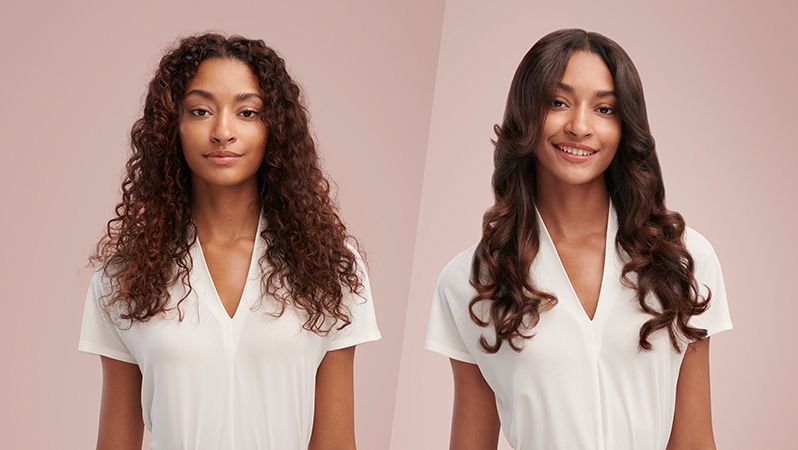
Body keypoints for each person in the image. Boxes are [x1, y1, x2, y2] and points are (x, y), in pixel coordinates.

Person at [425, 29, 732, 450]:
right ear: (526, 115)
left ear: (625, 128)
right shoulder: (470, 280)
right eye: (558, 102)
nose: (580, 126)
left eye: (604, 108)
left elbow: (695, 441)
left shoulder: (683, 259)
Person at [78, 33, 380, 450]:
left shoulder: (330, 267)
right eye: (200, 110)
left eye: (248, 112)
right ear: (173, 126)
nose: (223, 131)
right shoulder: (124, 277)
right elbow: (115, 443)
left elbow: (336, 443)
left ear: (275, 127)